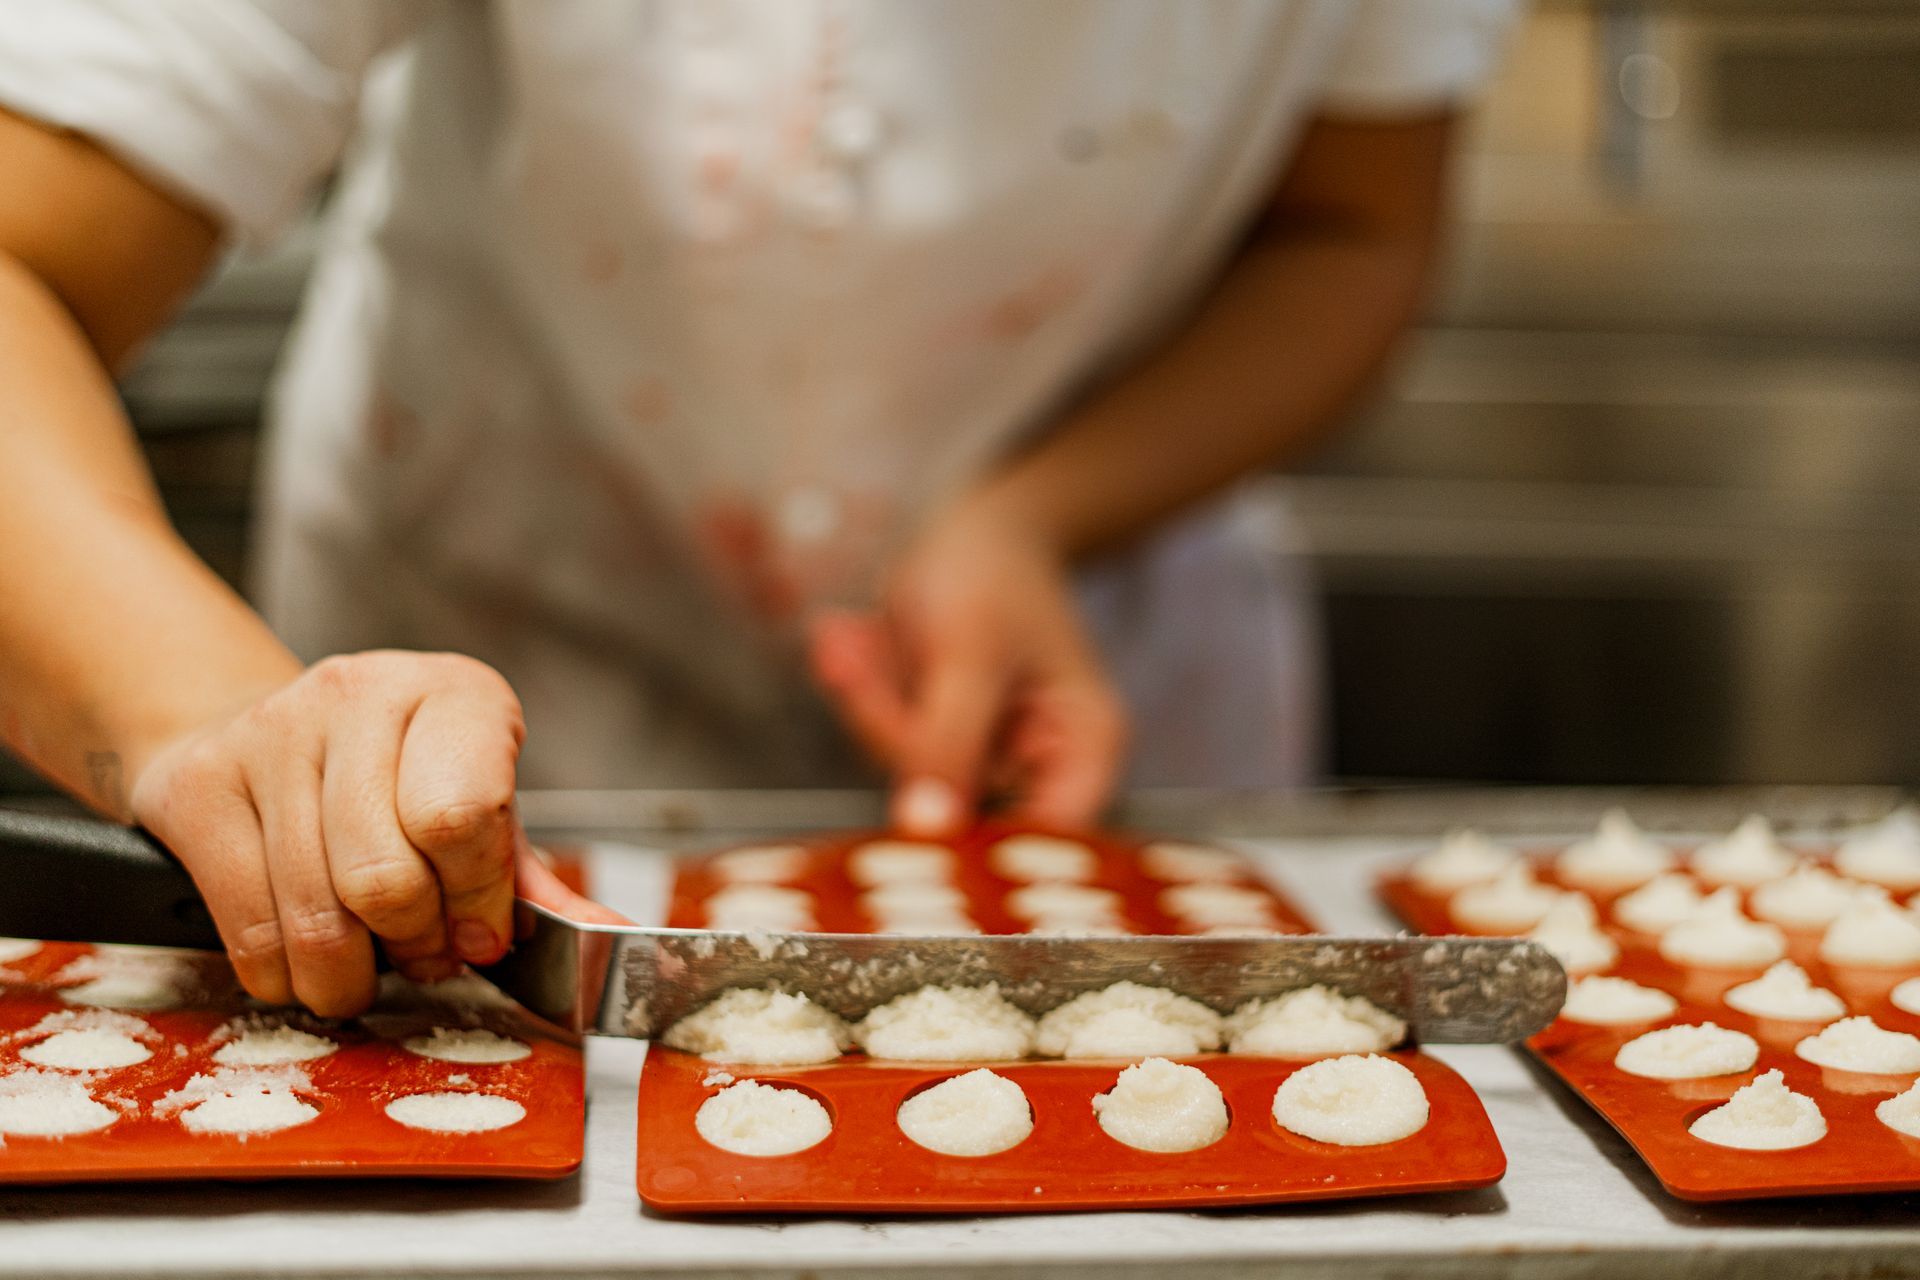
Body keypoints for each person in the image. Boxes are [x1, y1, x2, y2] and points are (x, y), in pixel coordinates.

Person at [0, 1, 1518, 1015]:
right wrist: (223, 727)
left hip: (1098, 734)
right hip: (472, 700)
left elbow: (1350, 227)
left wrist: (1033, 515)